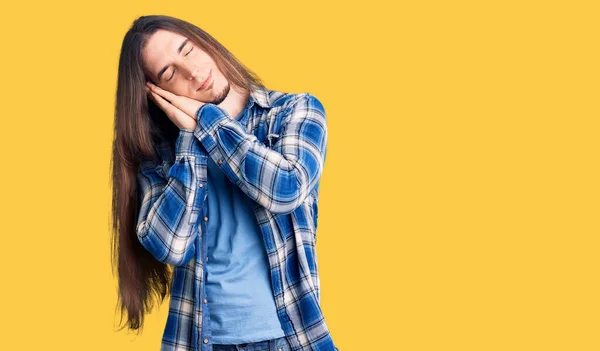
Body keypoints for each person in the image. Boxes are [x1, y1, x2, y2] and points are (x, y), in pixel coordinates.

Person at [109, 15, 338, 351]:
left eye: (187, 50)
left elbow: (286, 188)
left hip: (290, 339)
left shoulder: (293, 112)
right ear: (156, 94)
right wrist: (189, 140)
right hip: (201, 342)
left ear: (204, 42)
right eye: (169, 73)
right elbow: (170, 245)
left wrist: (206, 120)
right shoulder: (161, 157)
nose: (193, 72)